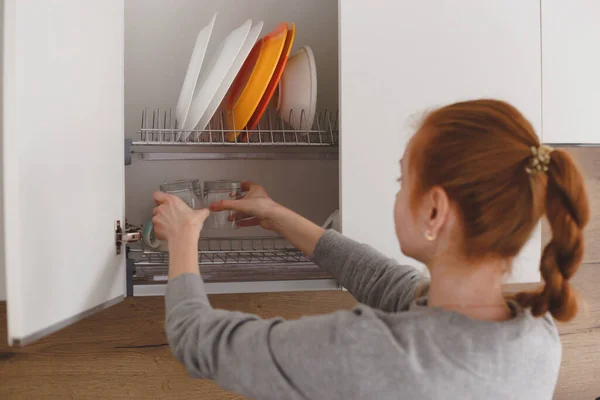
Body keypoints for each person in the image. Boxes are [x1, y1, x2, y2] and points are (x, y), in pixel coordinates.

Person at [151, 99, 589, 400]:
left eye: (403, 182)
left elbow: (196, 339)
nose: (397, 195)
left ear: (435, 209)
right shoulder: (537, 337)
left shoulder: (370, 351)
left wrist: (184, 237)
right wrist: (276, 215)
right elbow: (389, 284)